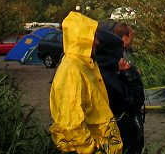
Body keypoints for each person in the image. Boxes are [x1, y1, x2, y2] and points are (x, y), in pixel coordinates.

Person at [49, 11, 122, 154]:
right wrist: (90, 149)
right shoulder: (72, 70)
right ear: (82, 38)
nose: (98, 41)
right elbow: (70, 121)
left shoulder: (83, 64)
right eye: (93, 36)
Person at [95, 28, 145, 154]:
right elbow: (135, 100)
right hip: (120, 131)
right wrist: (130, 74)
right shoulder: (106, 75)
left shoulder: (93, 69)